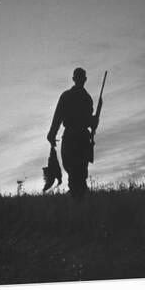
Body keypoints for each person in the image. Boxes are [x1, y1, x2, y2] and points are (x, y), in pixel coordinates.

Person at [47, 68, 98, 197]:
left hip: (74, 138)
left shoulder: (70, 96)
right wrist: (94, 121)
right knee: (78, 171)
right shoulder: (86, 99)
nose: (80, 80)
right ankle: (79, 199)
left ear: (74, 79)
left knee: (76, 171)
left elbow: (58, 117)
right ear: (80, 79)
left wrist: (52, 134)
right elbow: (89, 121)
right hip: (79, 138)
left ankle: (77, 200)